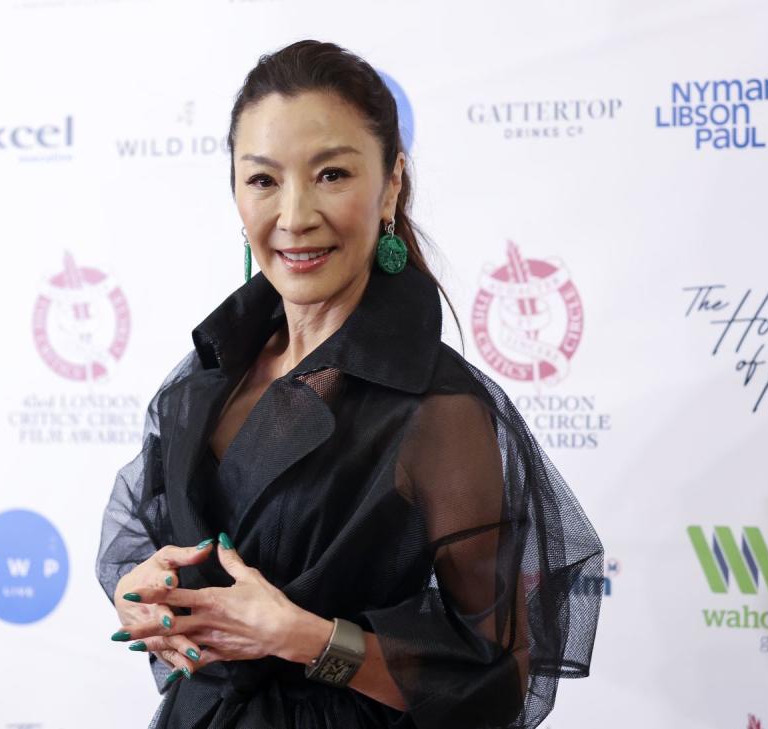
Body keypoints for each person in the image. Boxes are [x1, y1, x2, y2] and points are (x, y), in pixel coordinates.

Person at [96, 39, 603, 729]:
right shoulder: (213, 368)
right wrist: (140, 590)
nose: (295, 214)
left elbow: (498, 673)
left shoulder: (438, 409)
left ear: (391, 183)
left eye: (331, 174)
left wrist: (299, 636)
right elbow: (148, 534)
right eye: (264, 179)